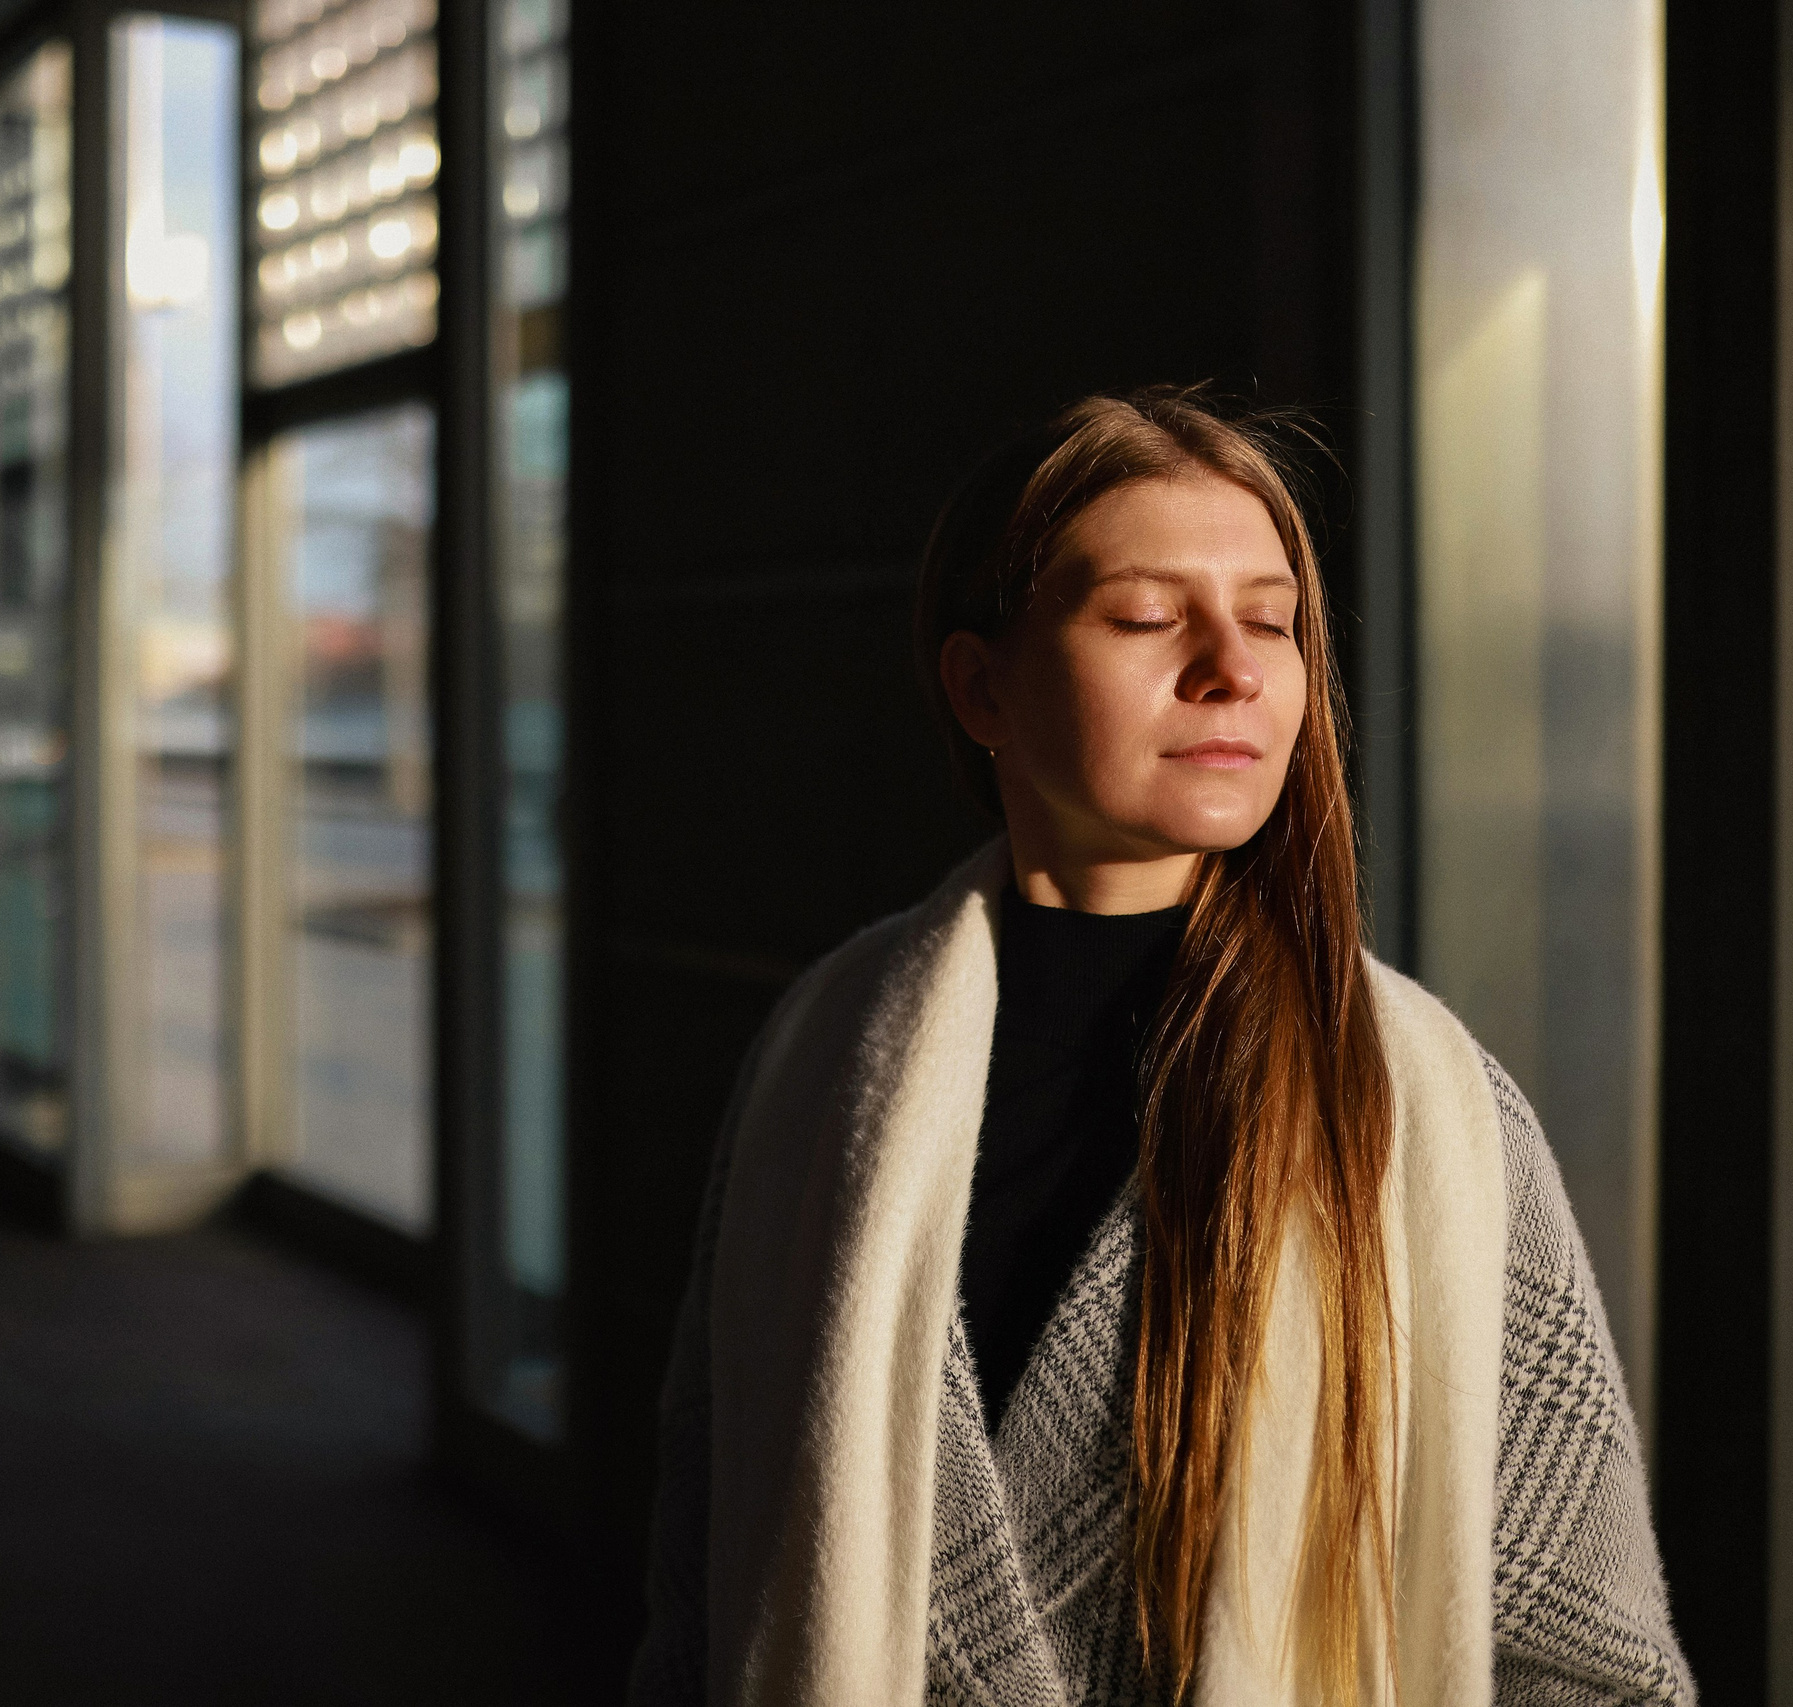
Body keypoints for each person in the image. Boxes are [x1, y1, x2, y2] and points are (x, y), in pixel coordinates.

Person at [625, 388, 1690, 1706]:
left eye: (1271, 621)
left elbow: (1586, 1659)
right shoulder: (829, 1054)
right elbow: (706, 1556)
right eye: (1145, 616)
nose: (1233, 668)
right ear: (980, 686)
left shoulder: (1423, 1106)